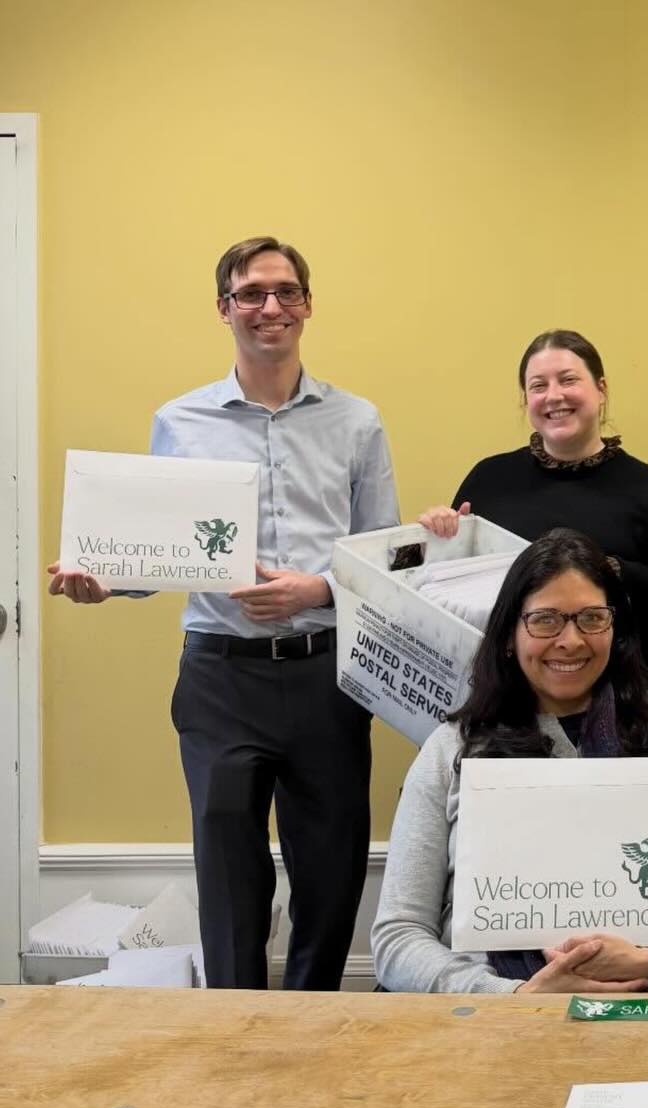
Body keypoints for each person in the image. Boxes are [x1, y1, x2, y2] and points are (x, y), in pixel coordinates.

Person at [47, 236, 399, 990]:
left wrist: (317, 592)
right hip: (219, 680)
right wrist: (107, 580)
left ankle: (314, 1029)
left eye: (286, 291)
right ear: (224, 308)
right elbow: (159, 550)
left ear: (307, 304)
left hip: (325, 679)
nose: (270, 307)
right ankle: (233, 1034)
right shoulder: (178, 421)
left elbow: (381, 563)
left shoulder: (358, 422)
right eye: (251, 293)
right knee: (231, 877)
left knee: (331, 872)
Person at [373, 528, 648, 993]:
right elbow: (398, 937)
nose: (570, 640)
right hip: (498, 1019)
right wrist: (515, 996)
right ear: (508, 635)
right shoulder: (453, 747)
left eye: (591, 618)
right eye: (545, 620)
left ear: (615, 628)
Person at [417, 330, 648, 686]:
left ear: (601, 388)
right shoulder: (489, 479)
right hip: (510, 697)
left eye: (568, 380)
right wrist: (441, 534)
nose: (554, 396)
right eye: (538, 386)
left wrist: (607, 570)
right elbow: (448, 592)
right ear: (525, 398)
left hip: (624, 694)